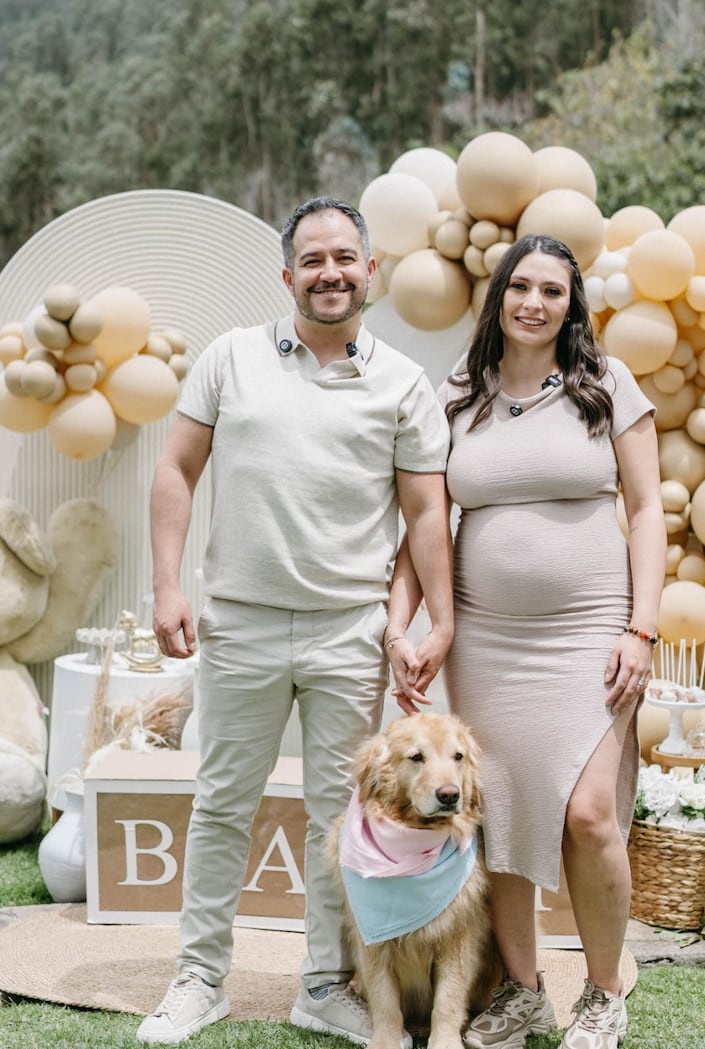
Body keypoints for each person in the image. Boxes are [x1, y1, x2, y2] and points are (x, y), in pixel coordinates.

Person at [136, 196, 454, 1046]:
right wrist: (166, 585)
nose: (330, 273)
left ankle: (323, 982)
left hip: (347, 629)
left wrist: (436, 621)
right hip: (237, 622)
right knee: (221, 803)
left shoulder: (403, 382)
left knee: (339, 817)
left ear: (370, 271)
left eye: (345, 258)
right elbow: (176, 471)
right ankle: (199, 979)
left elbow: (427, 517)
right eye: (313, 260)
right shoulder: (230, 358)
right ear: (287, 276)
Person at [387, 233, 666, 1049]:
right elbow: (425, 521)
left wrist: (641, 626)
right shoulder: (458, 392)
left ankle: (605, 994)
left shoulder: (605, 384)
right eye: (521, 287)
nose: (535, 302)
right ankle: (524, 990)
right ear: (499, 296)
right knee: (495, 812)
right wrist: (402, 622)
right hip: (485, 636)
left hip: (590, 633)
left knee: (588, 813)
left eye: (553, 289)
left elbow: (648, 510)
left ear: (572, 303)